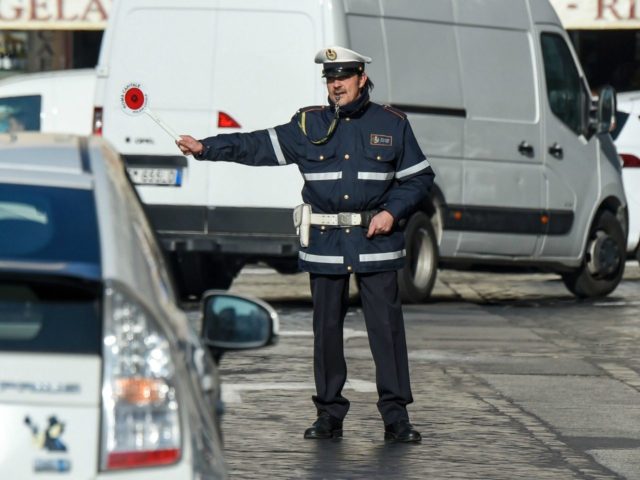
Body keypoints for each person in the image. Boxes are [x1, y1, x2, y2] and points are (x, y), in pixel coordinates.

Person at [177, 46, 435, 443]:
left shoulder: (392, 123)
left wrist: (392, 212)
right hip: (326, 243)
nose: (336, 85)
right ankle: (329, 414)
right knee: (326, 331)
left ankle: (396, 417)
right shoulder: (308, 124)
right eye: (330, 79)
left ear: (361, 78)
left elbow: (419, 178)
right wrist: (205, 148)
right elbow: (256, 145)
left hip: (376, 241)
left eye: (343, 77)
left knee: (386, 332)